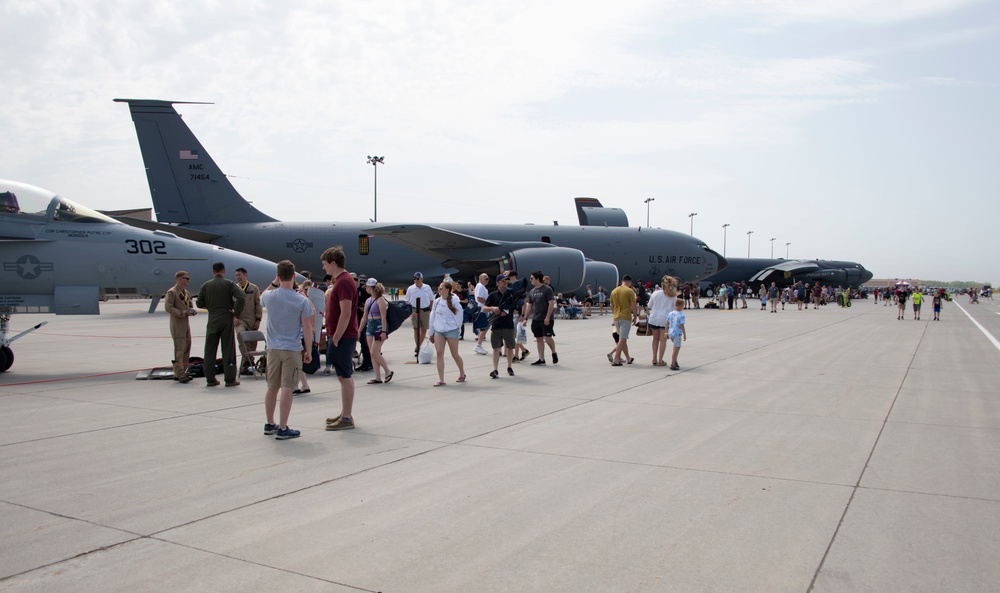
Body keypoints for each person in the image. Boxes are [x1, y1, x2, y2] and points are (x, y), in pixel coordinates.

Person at [260, 260, 314, 440]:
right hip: (291, 348)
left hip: (273, 348)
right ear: (293, 276)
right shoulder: (301, 300)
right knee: (287, 388)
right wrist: (308, 350)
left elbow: (262, 295)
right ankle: (283, 427)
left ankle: (269, 423)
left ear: (278, 275)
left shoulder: (270, 296)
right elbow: (307, 328)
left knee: (272, 387)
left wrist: (275, 282)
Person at [322, 246, 360, 431]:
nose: (324, 268)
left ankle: (347, 417)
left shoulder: (344, 282)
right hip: (340, 335)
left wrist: (336, 337)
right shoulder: (341, 281)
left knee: (345, 376)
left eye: (325, 264)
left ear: (333, 263)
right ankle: (345, 413)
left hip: (343, 336)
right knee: (342, 376)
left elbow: (345, 314)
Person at [196, 262, 245, 387]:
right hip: (226, 317)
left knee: (210, 349)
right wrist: (236, 313)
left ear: (213, 272)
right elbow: (241, 297)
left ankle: (210, 378)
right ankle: (229, 379)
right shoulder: (229, 284)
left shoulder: (206, 285)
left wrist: (210, 306)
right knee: (228, 348)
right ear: (224, 271)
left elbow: (199, 303)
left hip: (212, 318)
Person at [428, 281, 466, 386]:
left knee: (455, 354)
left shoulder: (454, 301)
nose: (439, 290)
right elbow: (432, 317)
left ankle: (462, 373)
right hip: (439, 330)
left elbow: (459, 316)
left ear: (447, 290)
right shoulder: (437, 302)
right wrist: (431, 332)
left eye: (441, 288)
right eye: (439, 288)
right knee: (439, 353)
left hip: (451, 330)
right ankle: (441, 379)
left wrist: (457, 328)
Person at [358, 278, 394, 385]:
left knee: (374, 352)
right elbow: (364, 317)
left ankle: (388, 371)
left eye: (367, 287)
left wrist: (383, 331)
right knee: (372, 353)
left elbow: (383, 317)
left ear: (371, 287)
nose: (366, 288)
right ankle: (377, 377)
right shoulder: (368, 300)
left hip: (379, 325)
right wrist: (359, 331)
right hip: (370, 325)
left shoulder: (380, 300)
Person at [164, 270, 196, 383]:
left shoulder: (185, 292)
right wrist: (182, 313)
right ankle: (179, 373)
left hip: (185, 323)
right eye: (186, 278)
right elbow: (168, 307)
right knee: (180, 348)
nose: (188, 281)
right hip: (177, 324)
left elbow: (189, 304)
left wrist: (191, 310)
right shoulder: (172, 292)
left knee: (187, 346)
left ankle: (182, 372)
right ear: (180, 279)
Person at [483, 274, 517, 378]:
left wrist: (507, 311)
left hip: (508, 324)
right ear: (497, 283)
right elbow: (484, 308)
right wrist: (493, 308)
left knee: (510, 348)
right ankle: (495, 369)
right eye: (502, 281)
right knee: (496, 348)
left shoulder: (511, 294)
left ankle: (509, 366)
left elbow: (516, 308)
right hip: (496, 325)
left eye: (506, 281)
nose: (505, 283)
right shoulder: (493, 295)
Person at [522, 271, 558, 366]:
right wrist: (525, 318)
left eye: (531, 278)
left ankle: (554, 352)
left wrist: (547, 317)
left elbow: (551, 303)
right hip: (536, 318)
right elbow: (529, 306)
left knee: (547, 337)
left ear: (537, 279)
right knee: (539, 339)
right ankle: (541, 359)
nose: (530, 280)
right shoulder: (532, 292)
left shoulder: (547, 289)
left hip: (546, 318)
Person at [233, 267, 263, 376]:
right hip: (239, 319)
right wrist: (234, 318)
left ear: (245, 275)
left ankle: (247, 364)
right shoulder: (234, 289)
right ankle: (248, 361)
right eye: (236, 275)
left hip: (252, 319)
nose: (238, 277)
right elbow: (230, 305)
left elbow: (258, 304)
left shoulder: (254, 288)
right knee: (241, 335)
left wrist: (258, 319)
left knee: (252, 342)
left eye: (240, 275)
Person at [646, 275, 677, 366]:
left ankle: (654, 358)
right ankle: (660, 360)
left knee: (655, 339)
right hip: (665, 320)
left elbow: (649, 306)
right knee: (663, 340)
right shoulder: (673, 296)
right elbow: (674, 309)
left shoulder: (655, 293)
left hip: (654, 318)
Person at [609, 275, 638, 366]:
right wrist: (635, 316)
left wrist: (614, 315)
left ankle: (628, 358)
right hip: (625, 316)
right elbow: (633, 305)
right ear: (629, 282)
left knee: (623, 338)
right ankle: (616, 359)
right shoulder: (629, 291)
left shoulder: (614, 291)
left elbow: (612, 305)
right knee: (623, 338)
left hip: (617, 316)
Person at [405, 272, 434, 358]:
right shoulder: (411, 288)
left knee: (424, 329)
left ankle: (419, 345)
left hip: (425, 310)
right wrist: (409, 311)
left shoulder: (427, 287)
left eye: (417, 279)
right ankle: (418, 346)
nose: (416, 280)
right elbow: (407, 300)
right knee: (416, 328)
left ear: (422, 279)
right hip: (414, 309)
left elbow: (432, 298)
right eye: (414, 279)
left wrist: (430, 308)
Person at [472, 273, 491, 355]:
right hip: (483, 309)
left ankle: (479, 345)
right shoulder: (480, 286)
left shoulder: (481, 287)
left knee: (485, 327)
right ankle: (479, 345)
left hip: (483, 309)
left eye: (488, 279)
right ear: (481, 279)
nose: (487, 280)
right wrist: (489, 303)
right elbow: (479, 298)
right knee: (485, 327)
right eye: (485, 279)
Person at [666, 299, 687, 371]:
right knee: (676, 348)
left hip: (671, 332)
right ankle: (672, 363)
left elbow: (667, 323)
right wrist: (684, 334)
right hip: (677, 333)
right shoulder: (681, 315)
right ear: (681, 306)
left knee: (675, 347)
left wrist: (666, 333)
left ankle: (675, 361)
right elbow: (682, 325)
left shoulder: (671, 313)